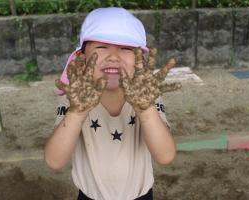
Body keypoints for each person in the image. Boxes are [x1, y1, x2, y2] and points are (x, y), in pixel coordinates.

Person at [44, 7, 181, 200]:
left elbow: (165, 156)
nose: (113, 56)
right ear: (81, 59)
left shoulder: (146, 97)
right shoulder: (75, 97)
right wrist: (76, 112)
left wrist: (145, 109)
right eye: (101, 47)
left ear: (140, 61)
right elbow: (54, 161)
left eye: (126, 48)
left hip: (141, 196)